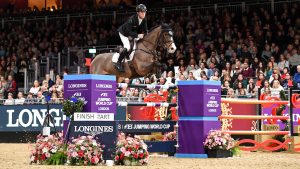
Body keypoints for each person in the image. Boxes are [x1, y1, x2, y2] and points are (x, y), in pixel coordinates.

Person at [115, 4, 148, 72]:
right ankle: (118, 63)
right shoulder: (132, 19)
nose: (143, 14)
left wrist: (146, 36)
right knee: (127, 47)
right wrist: (138, 35)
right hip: (124, 33)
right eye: (142, 12)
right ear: (138, 13)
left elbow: (145, 30)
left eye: (144, 12)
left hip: (132, 33)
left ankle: (129, 56)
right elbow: (127, 32)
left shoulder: (144, 19)